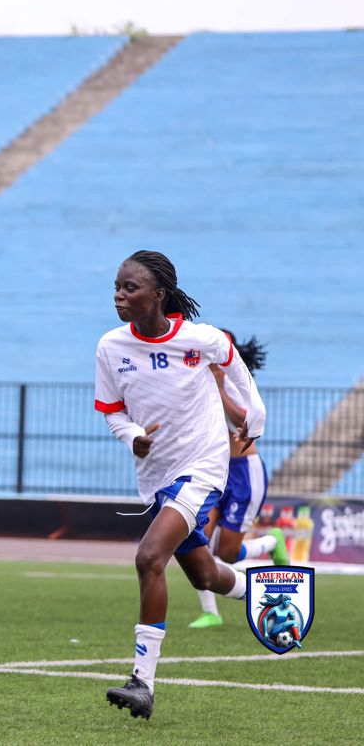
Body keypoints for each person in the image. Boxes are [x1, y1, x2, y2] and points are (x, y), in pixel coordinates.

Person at [94, 250, 265, 720]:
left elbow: (236, 369)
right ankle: (264, 593)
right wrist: (133, 437)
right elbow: (112, 411)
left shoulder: (200, 339)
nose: (119, 295)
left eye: (130, 288)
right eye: (116, 287)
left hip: (203, 468)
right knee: (205, 576)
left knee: (150, 557)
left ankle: (142, 682)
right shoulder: (110, 346)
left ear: (158, 295)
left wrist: (256, 417)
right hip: (156, 478)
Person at [188, 329, 288, 629]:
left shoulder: (233, 381)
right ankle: (210, 612)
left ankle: (272, 541)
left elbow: (246, 420)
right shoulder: (198, 380)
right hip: (214, 470)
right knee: (196, 536)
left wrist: (219, 387)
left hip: (244, 471)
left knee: (228, 553)